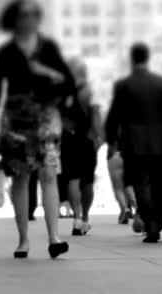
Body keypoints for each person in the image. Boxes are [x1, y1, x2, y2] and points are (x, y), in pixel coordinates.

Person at [0, 0, 76, 259]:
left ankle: (54, 238)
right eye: (23, 15)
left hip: (46, 115)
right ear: (14, 19)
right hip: (16, 117)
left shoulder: (48, 48)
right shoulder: (6, 52)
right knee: (21, 176)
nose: (29, 19)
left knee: (49, 173)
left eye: (33, 14)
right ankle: (23, 239)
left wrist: (46, 73)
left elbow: (67, 81)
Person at [105, 42, 162, 243]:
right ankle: (156, 219)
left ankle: (151, 223)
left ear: (132, 59)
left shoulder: (123, 85)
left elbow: (114, 116)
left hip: (133, 144)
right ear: (147, 58)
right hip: (160, 143)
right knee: (159, 183)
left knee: (140, 185)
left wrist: (111, 141)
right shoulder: (161, 83)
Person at [60, 57, 103, 236]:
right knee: (87, 181)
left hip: (68, 140)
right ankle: (85, 218)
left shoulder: (63, 92)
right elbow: (96, 119)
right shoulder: (90, 92)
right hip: (86, 141)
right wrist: (97, 139)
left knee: (72, 179)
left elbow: (58, 117)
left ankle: (76, 219)